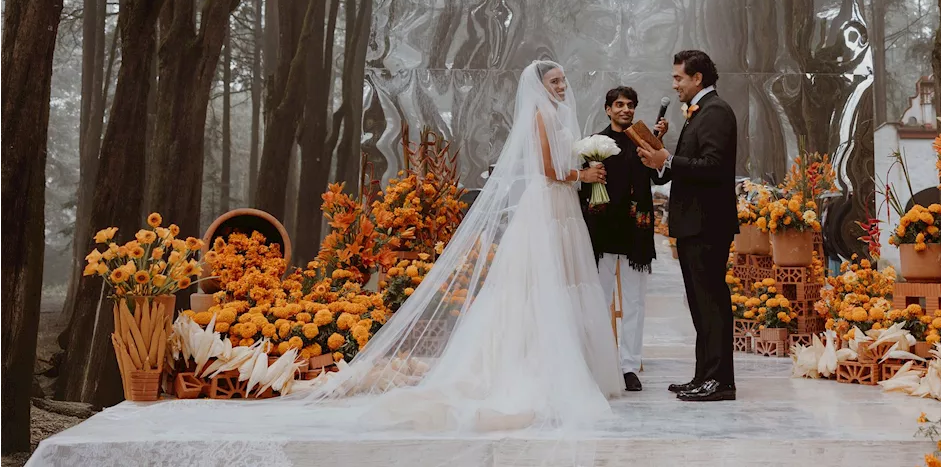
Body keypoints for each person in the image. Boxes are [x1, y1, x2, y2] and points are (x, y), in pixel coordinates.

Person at [25, 61, 623, 466]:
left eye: (565, 79)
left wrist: (585, 171)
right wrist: (584, 172)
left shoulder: (562, 117)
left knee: (567, 286)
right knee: (536, 289)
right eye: (555, 79)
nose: (563, 86)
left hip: (564, 212)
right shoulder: (542, 119)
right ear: (538, 88)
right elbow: (547, 171)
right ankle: (535, 367)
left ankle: (570, 359)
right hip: (549, 209)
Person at [637, 50, 738, 402]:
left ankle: (721, 381)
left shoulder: (715, 112)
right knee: (699, 302)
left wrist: (669, 160)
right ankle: (704, 375)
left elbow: (712, 166)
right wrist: (660, 158)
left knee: (711, 301)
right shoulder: (700, 113)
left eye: (679, 78)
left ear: (698, 78)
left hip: (708, 223)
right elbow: (691, 165)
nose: (674, 84)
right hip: (695, 223)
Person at [580, 86, 657, 392]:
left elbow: (661, 176)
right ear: (608, 109)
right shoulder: (593, 143)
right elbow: (584, 186)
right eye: (620, 105)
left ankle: (628, 366)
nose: (626, 109)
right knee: (599, 298)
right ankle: (601, 362)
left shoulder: (642, 138)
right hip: (602, 231)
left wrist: (656, 147)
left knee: (635, 301)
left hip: (635, 230)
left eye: (631, 105)